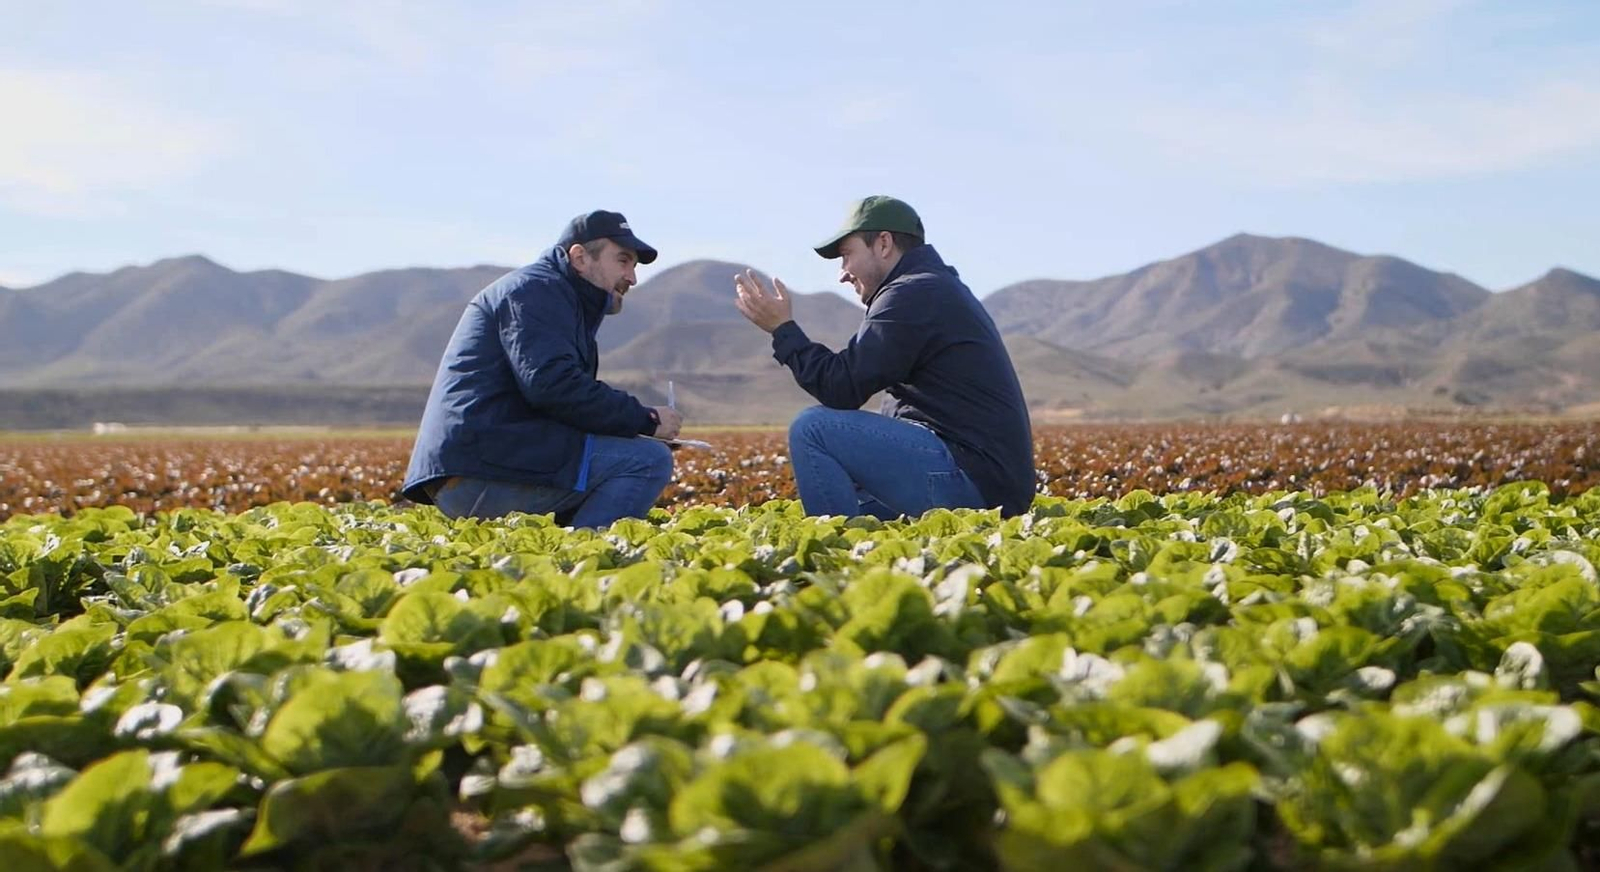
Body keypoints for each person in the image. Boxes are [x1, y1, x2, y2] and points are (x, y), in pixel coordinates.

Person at [733, 195, 1035, 518]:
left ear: (884, 244)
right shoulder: (932, 287)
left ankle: (835, 546)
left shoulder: (911, 293)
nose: (843, 274)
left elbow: (841, 386)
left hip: (974, 481)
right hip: (989, 483)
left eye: (847, 255)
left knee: (812, 428)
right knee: (854, 497)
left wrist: (783, 330)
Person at [401, 210, 682, 526]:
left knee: (629, 452)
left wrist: (636, 427)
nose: (632, 277)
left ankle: (565, 547)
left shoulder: (558, 297)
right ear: (580, 257)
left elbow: (561, 401)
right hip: (480, 470)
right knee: (648, 461)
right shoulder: (536, 292)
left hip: (490, 462)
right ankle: (587, 554)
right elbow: (554, 387)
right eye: (623, 261)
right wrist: (646, 420)